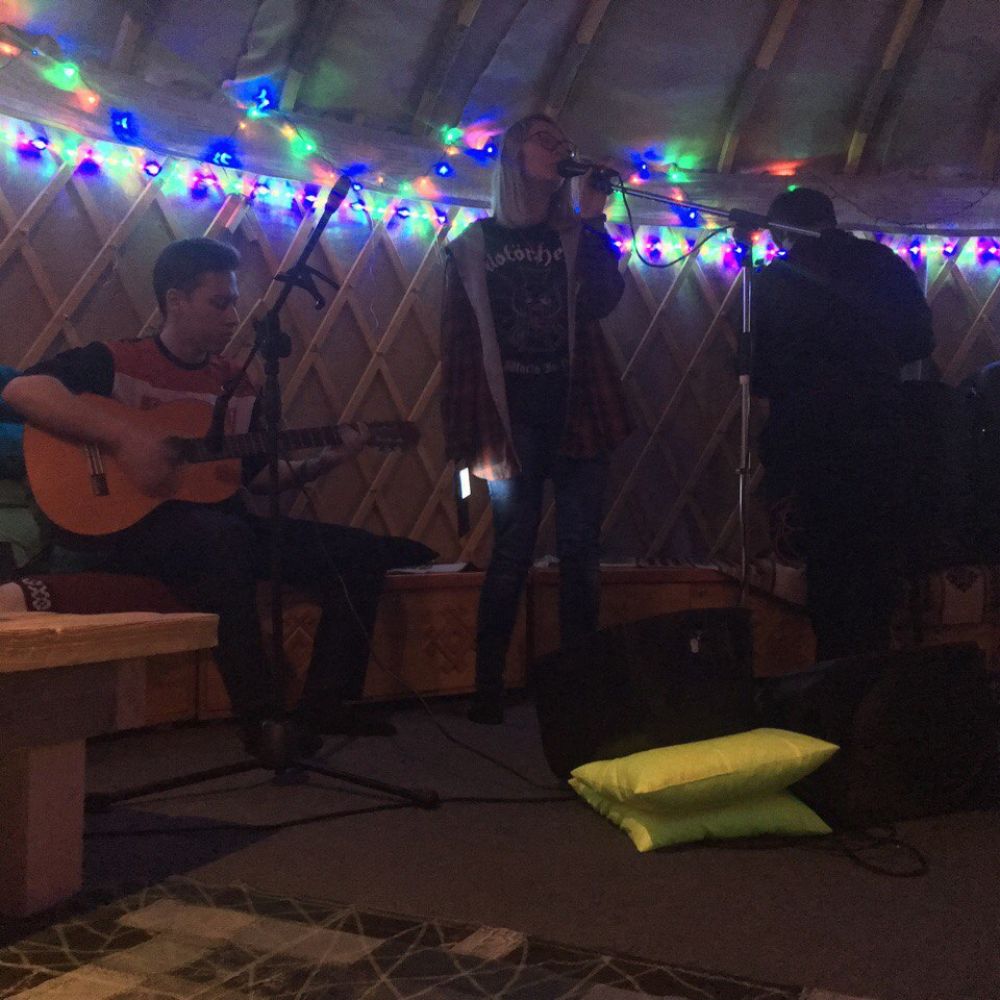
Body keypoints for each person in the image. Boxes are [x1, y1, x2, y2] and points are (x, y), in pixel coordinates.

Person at [2, 237, 436, 754]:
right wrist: (125, 438)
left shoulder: (238, 383)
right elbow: (21, 391)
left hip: (219, 525)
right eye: (220, 303)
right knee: (225, 539)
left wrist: (325, 460)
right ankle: (262, 717)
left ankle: (328, 702)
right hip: (132, 525)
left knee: (359, 552)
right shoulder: (118, 360)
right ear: (175, 300)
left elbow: (255, 476)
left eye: (234, 303)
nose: (234, 317)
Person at [440, 114, 632, 724]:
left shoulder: (575, 236)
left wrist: (594, 220)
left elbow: (603, 300)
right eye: (544, 140)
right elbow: (457, 346)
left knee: (581, 553)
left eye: (563, 140)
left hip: (579, 412)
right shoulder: (473, 246)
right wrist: (463, 434)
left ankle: (579, 689)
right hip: (510, 423)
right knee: (511, 553)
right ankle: (487, 688)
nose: (560, 147)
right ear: (514, 156)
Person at [752, 187, 934, 661]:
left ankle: (833, 673)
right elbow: (921, 338)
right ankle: (874, 673)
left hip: (811, 443)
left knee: (828, 565)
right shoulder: (882, 262)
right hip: (880, 435)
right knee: (876, 561)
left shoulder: (774, 279)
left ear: (783, 231)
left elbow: (759, 374)